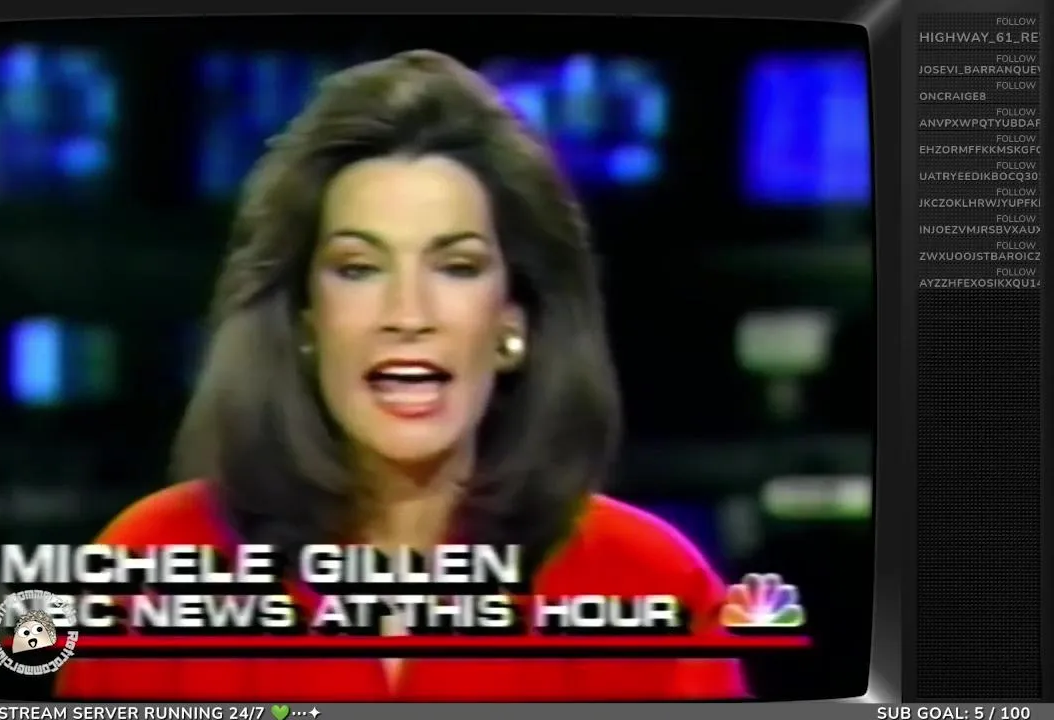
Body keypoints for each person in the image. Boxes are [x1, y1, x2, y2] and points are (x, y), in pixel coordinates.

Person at [55, 49, 746, 701]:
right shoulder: (153, 569)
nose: (407, 314)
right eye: (359, 268)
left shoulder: (651, 585)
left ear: (514, 321)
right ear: (304, 320)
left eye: (457, 267)